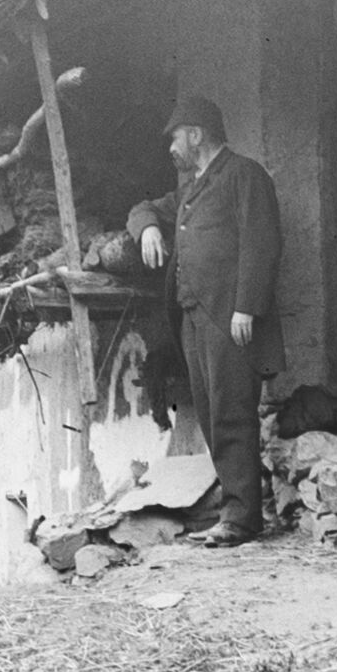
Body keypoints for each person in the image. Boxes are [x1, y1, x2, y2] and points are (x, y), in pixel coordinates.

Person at [126, 92, 281, 548]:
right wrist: (149, 227)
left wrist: (246, 306)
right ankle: (236, 511)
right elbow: (142, 208)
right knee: (214, 415)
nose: (170, 149)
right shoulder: (191, 190)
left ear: (195, 133)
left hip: (229, 318)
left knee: (232, 412)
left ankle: (242, 519)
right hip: (194, 318)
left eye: (175, 138)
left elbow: (262, 242)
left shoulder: (243, 176)